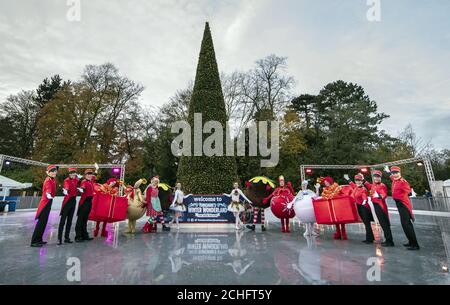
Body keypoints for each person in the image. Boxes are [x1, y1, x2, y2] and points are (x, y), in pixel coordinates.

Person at [385, 166, 420, 250]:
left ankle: (415, 244)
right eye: (393, 173)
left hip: (403, 204)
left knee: (406, 224)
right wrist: (388, 172)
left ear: (400, 172)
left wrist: (411, 193)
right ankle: (410, 242)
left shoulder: (403, 182)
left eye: (396, 172)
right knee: (404, 224)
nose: (395, 174)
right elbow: (391, 176)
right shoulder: (394, 179)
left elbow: (408, 191)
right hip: (399, 204)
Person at [364, 170, 394, 247]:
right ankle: (388, 240)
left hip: (380, 206)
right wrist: (363, 180)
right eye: (375, 176)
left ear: (380, 177)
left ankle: (389, 241)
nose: (376, 178)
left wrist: (379, 196)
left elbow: (384, 194)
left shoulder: (382, 185)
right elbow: (369, 185)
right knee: (382, 223)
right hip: (376, 206)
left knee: (384, 224)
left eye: (378, 177)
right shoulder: (374, 185)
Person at [31, 165, 58, 247]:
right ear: (48, 172)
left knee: (44, 222)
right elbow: (47, 188)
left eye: (55, 171)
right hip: (45, 203)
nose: (54, 172)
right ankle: (34, 241)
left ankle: (39, 239)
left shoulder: (53, 180)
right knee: (41, 223)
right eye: (52, 171)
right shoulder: (48, 180)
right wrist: (48, 193)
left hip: (48, 202)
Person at [345, 174, 374, 244]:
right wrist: (348, 179)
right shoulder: (356, 187)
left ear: (362, 181)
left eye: (359, 180)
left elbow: (364, 196)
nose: (358, 182)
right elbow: (352, 185)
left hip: (364, 207)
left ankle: (369, 239)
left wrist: (364, 201)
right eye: (356, 180)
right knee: (365, 223)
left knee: (367, 223)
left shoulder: (363, 189)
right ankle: (371, 237)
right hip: (359, 207)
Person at [58, 168, 81, 245]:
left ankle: (66, 238)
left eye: (74, 173)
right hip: (67, 201)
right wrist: (66, 190)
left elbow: (81, 182)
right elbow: (66, 186)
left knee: (70, 221)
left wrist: (80, 179)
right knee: (63, 221)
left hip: (73, 201)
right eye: (71, 173)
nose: (73, 174)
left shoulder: (76, 180)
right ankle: (59, 238)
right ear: (69, 174)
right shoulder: (66, 180)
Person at [75, 169, 95, 242]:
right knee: (80, 220)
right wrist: (81, 189)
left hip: (89, 202)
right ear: (85, 175)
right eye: (88, 174)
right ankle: (78, 236)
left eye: (90, 174)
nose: (89, 175)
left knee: (85, 220)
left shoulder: (91, 182)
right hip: (84, 203)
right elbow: (82, 187)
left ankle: (84, 235)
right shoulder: (84, 182)